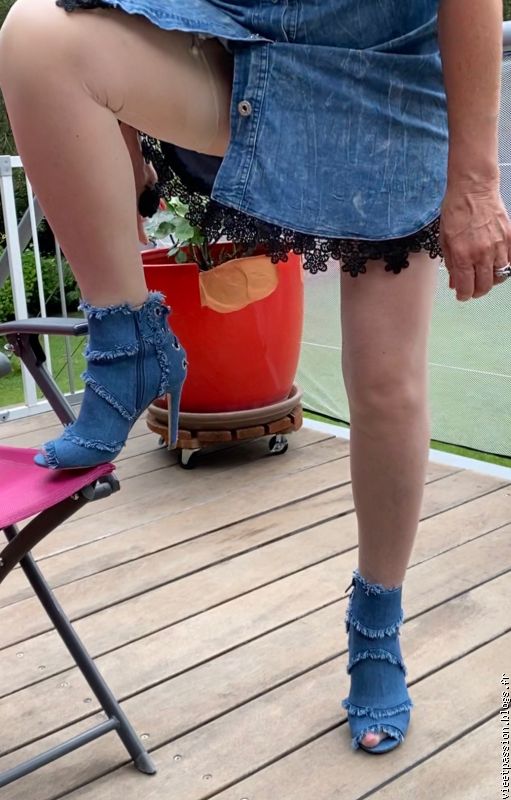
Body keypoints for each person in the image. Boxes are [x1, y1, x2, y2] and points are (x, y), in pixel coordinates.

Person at [0, 0, 509, 754]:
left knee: (384, 385)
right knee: (35, 36)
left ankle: (376, 626)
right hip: (245, 51)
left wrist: (475, 178)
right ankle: (128, 347)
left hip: (386, 88)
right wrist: (124, 135)